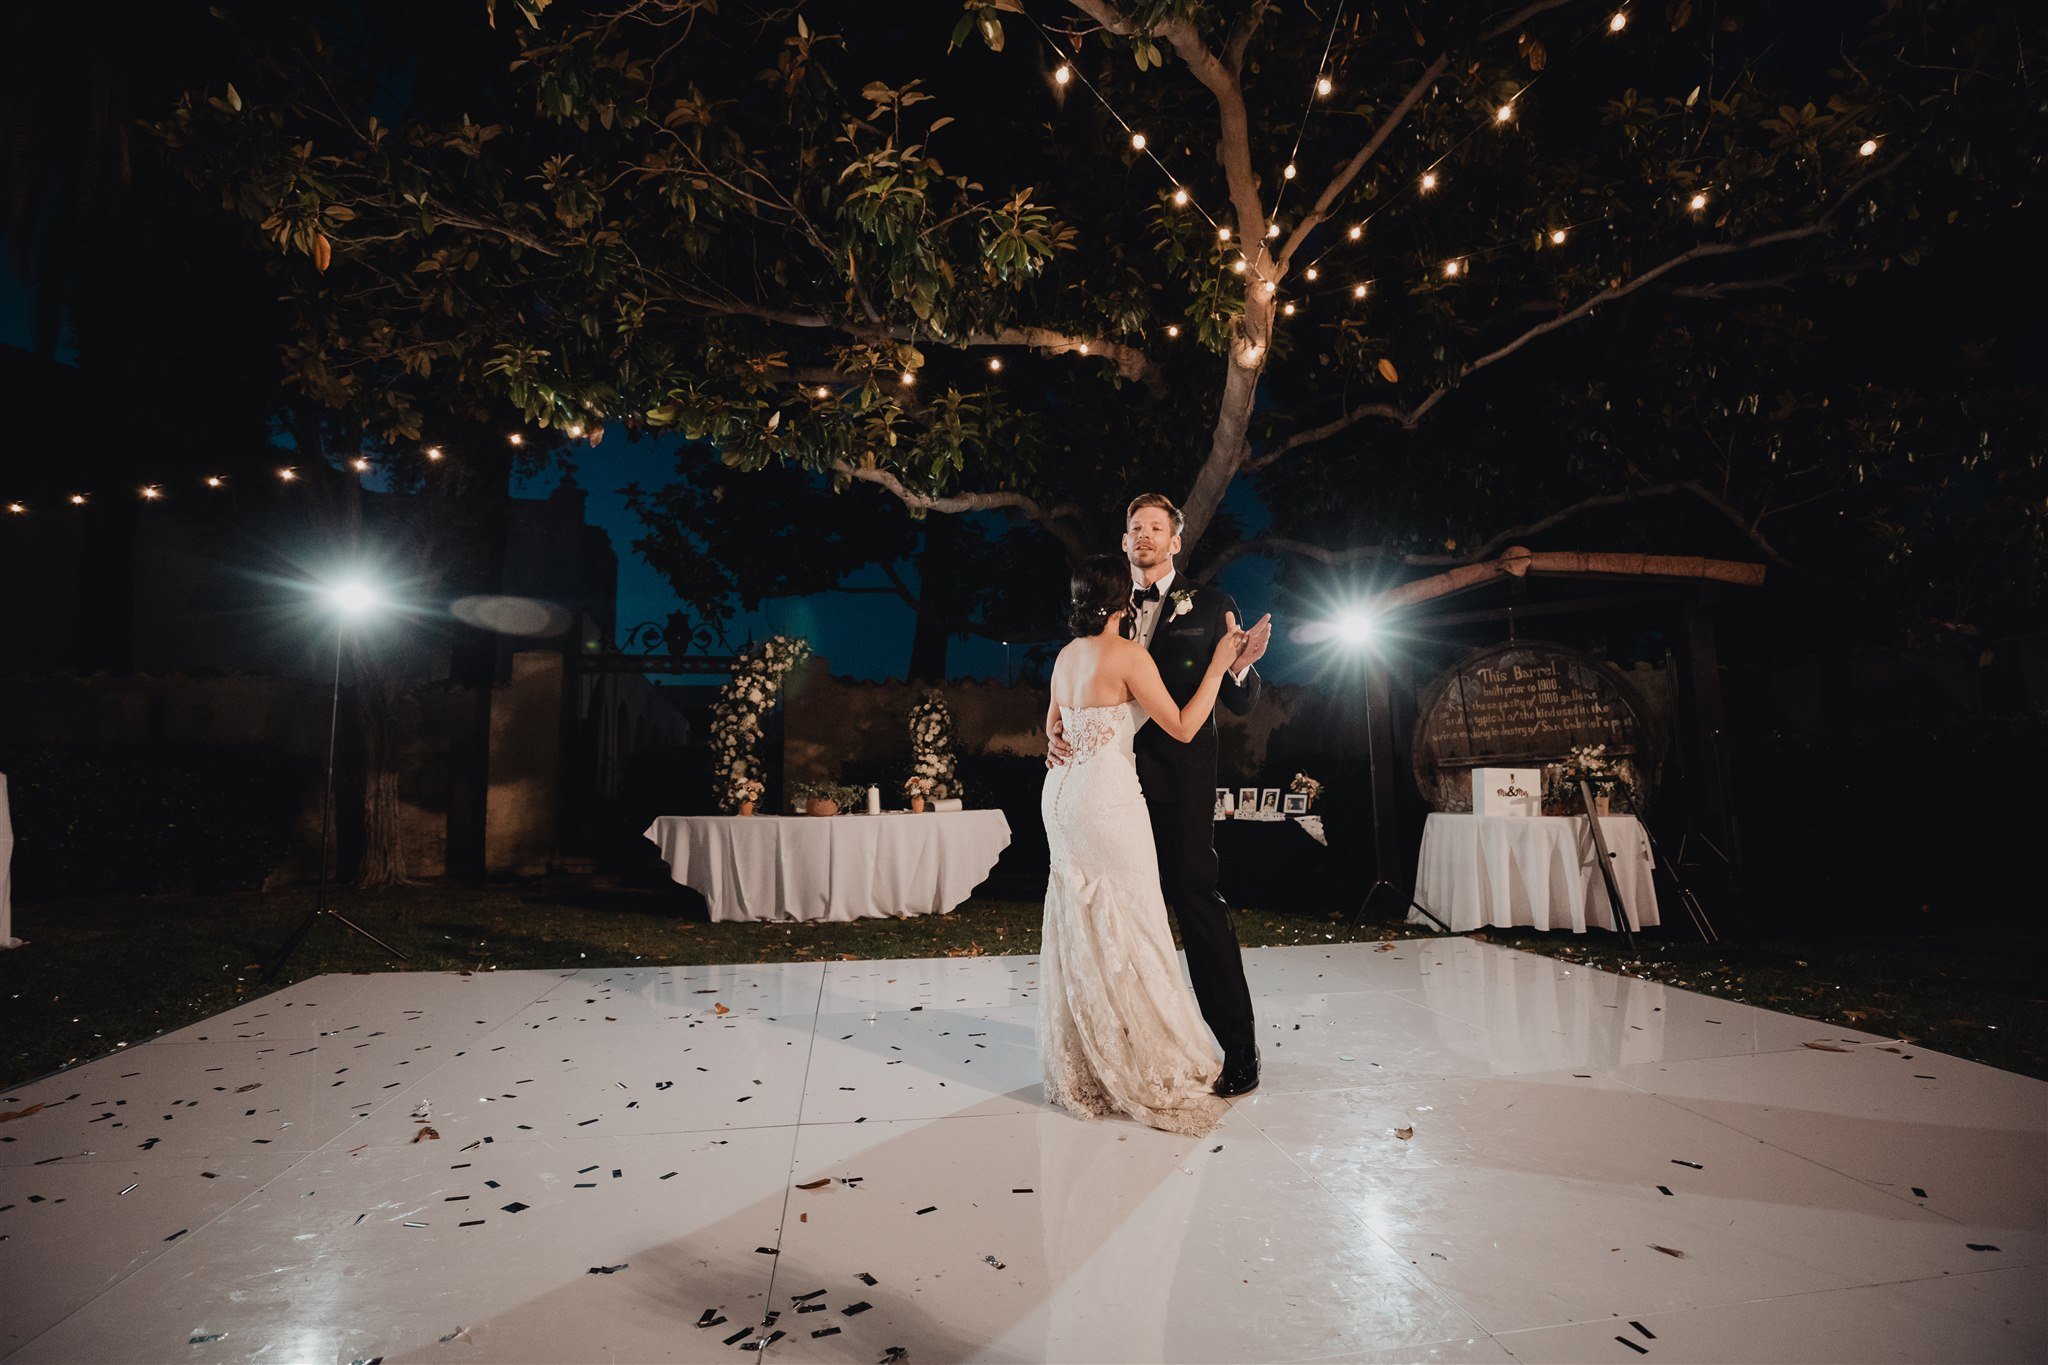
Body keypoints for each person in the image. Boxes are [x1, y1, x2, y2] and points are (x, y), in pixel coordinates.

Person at [1047, 494, 1271, 1096]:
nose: (1144, 536)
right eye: (1134, 527)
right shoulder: (1100, 619)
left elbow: (1243, 701)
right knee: (1117, 917)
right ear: (1124, 542)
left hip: (1179, 784)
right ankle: (1125, 1046)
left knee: (1195, 903)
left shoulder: (1214, 604)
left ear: (1175, 541)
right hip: (1109, 788)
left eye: (1156, 528)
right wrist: (1060, 731)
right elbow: (1081, 688)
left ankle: (1239, 1048)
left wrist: (1241, 665)